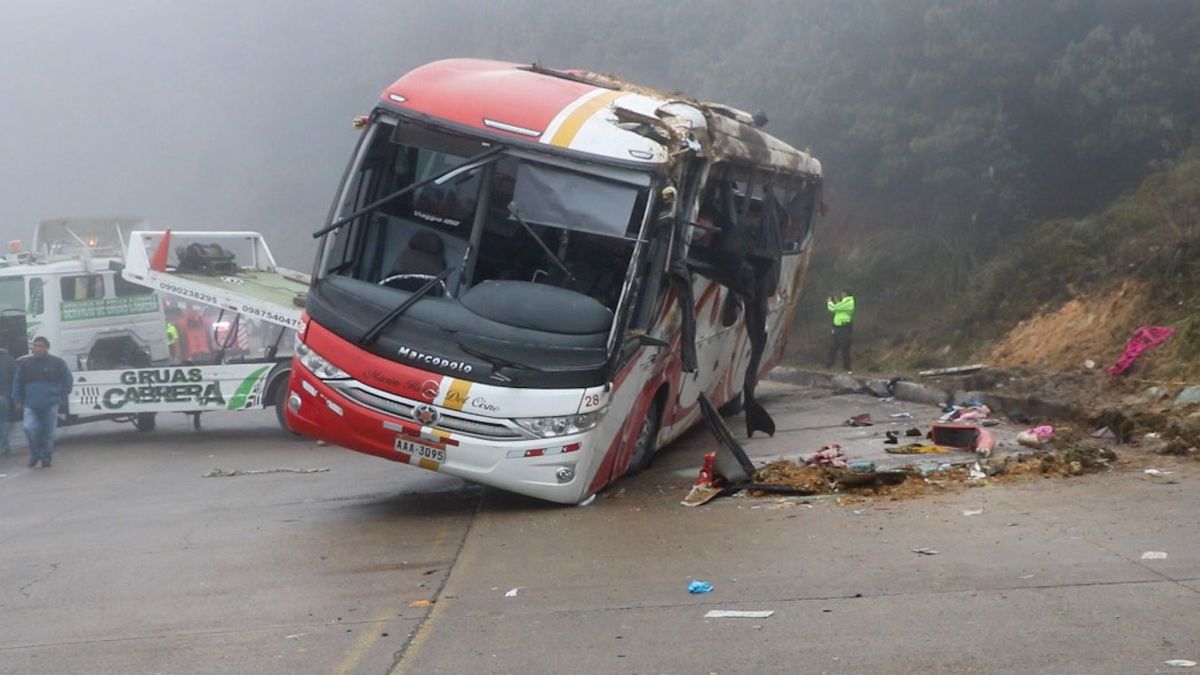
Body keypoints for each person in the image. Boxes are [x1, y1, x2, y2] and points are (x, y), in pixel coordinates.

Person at [12, 336, 73, 468]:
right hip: (30, 404)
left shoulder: (57, 363)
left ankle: (46, 458)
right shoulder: (25, 364)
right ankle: (35, 454)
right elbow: (17, 383)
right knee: (28, 428)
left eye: (41, 346)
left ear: (47, 347)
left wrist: (61, 396)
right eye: (35, 346)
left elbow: (68, 380)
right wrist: (17, 400)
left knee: (49, 433)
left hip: (50, 404)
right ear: (32, 348)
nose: (38, 349)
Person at [825, 289, 855, 373]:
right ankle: (829, 365)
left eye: (843, 293)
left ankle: (847, 368)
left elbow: (834, 308)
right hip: (837, 327)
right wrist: (837, 302)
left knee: (845, 347)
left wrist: (829, 302)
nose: (841, 295)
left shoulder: (849, 301)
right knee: (833, 346)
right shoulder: (844, 302)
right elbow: (839, 308)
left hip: (844, 327)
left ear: (847, 294)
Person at [0, 345, 13, 455]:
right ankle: (5, 446)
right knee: (3, 421)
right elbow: (15, 378)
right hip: (4, 396)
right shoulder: (9, 359)